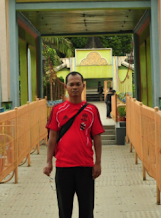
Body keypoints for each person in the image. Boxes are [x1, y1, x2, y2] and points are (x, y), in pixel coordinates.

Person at [44, 72, 104, 218]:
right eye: (71, 84)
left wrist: (98, 163)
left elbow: (97, 138)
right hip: (63, 167)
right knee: (64, 211)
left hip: (85, 167)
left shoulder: (91, 110)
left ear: (83, 86)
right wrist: (48, 162)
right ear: (66, 87)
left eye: (78, 84)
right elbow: (52, 137)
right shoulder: (57, 110)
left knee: (87, 210)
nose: (75, 87)